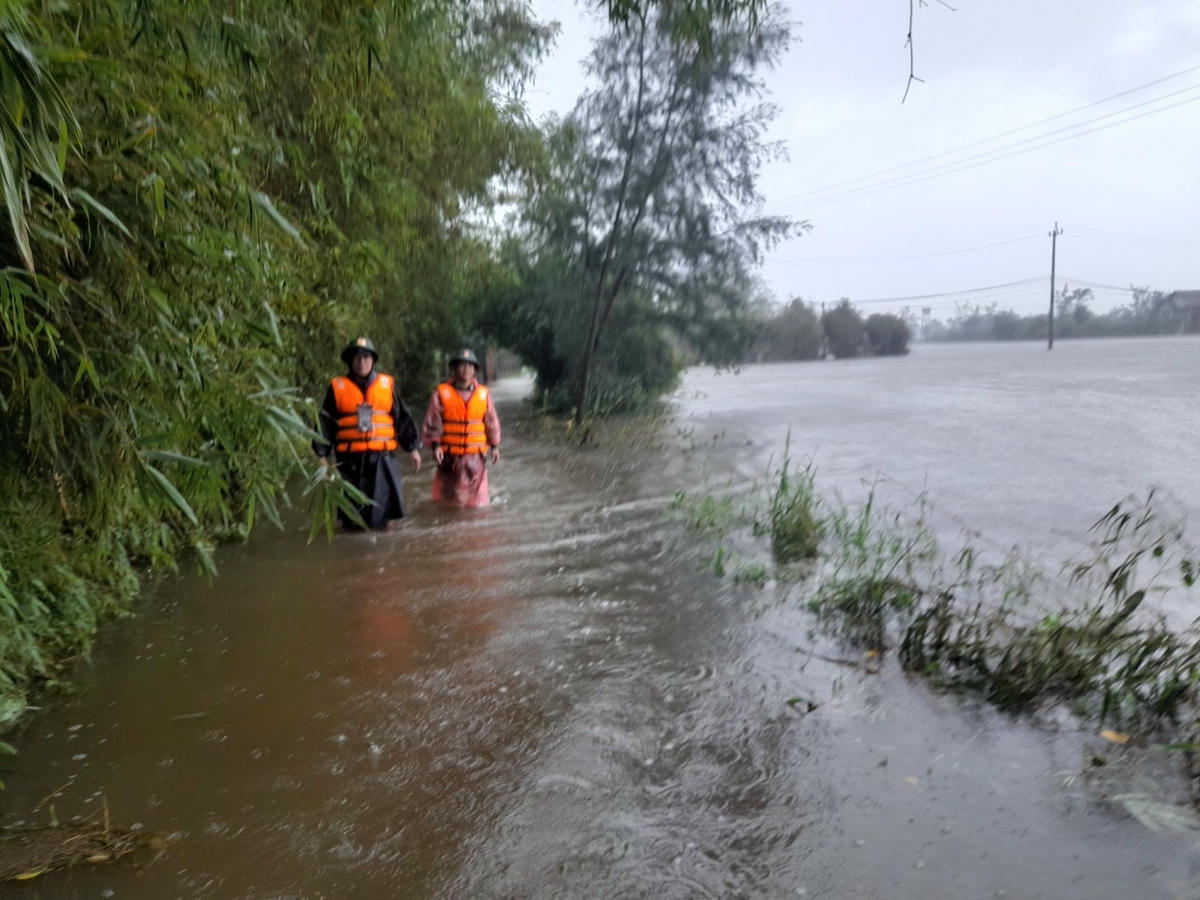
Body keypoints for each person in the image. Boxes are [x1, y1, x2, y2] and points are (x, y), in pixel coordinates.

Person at [314, 336, 422, 530]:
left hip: (382, 459)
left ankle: (380, 547)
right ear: (350, 361)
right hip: (349, 461)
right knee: (352, 516)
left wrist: (413, 448)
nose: (361, 361)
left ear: (372, 360)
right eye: (357, 357)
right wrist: (321, 454)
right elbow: (325, 422)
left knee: (382, 514)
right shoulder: (337, 388)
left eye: (366, 357)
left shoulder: (387, 385)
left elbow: (402, 417)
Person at [421, 348, 501, 508]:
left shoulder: (483, 394)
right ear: (455, 368)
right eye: (462, 365)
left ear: (474, 370)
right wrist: (436, 446)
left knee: (477, 503)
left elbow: (491, 422)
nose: (466, 369)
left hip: (475, 457)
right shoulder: (441, 393)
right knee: (448, 501)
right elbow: (433, 422)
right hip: (450, 456)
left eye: (470, 366)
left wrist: (494, 446)